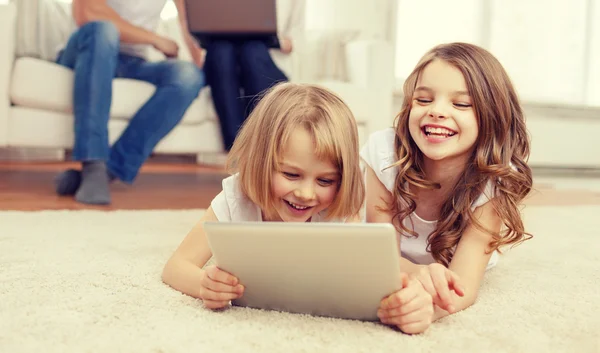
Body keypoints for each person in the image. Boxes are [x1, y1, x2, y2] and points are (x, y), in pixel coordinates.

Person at [162, 82, 434, 334]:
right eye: (291, 175)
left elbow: (371, 280)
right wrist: (204, 285)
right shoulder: (236, 196)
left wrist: (413, 298)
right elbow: (176, 267)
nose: (306, 194)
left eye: (325, 180)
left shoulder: (338, 208)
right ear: (259, 162)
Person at [362, 42, 533, 322]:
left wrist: (426, 311)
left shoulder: (495, 179)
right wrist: (418, 275)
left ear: (493, 117)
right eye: (424, 100)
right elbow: (381, 262)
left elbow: (462, 286)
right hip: (398, 261)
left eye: (461, 104)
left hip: (454, 263)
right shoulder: (384, 153)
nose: (437, 111)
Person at [54, 0, 205, 205]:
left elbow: (187, 23)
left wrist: (201, 65)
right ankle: (93, 163)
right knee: (104, 30)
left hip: (133, 61)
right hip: (87, 49)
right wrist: (155, 39)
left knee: (188, 76)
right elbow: (88, 12)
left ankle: (107, 171)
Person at [203, 0, 305, 151]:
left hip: (265, 59)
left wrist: (266, 37)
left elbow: (294, 42)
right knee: (221, 50)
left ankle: (258, 146)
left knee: (252, 50)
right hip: (225, 61)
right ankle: (236, 148)